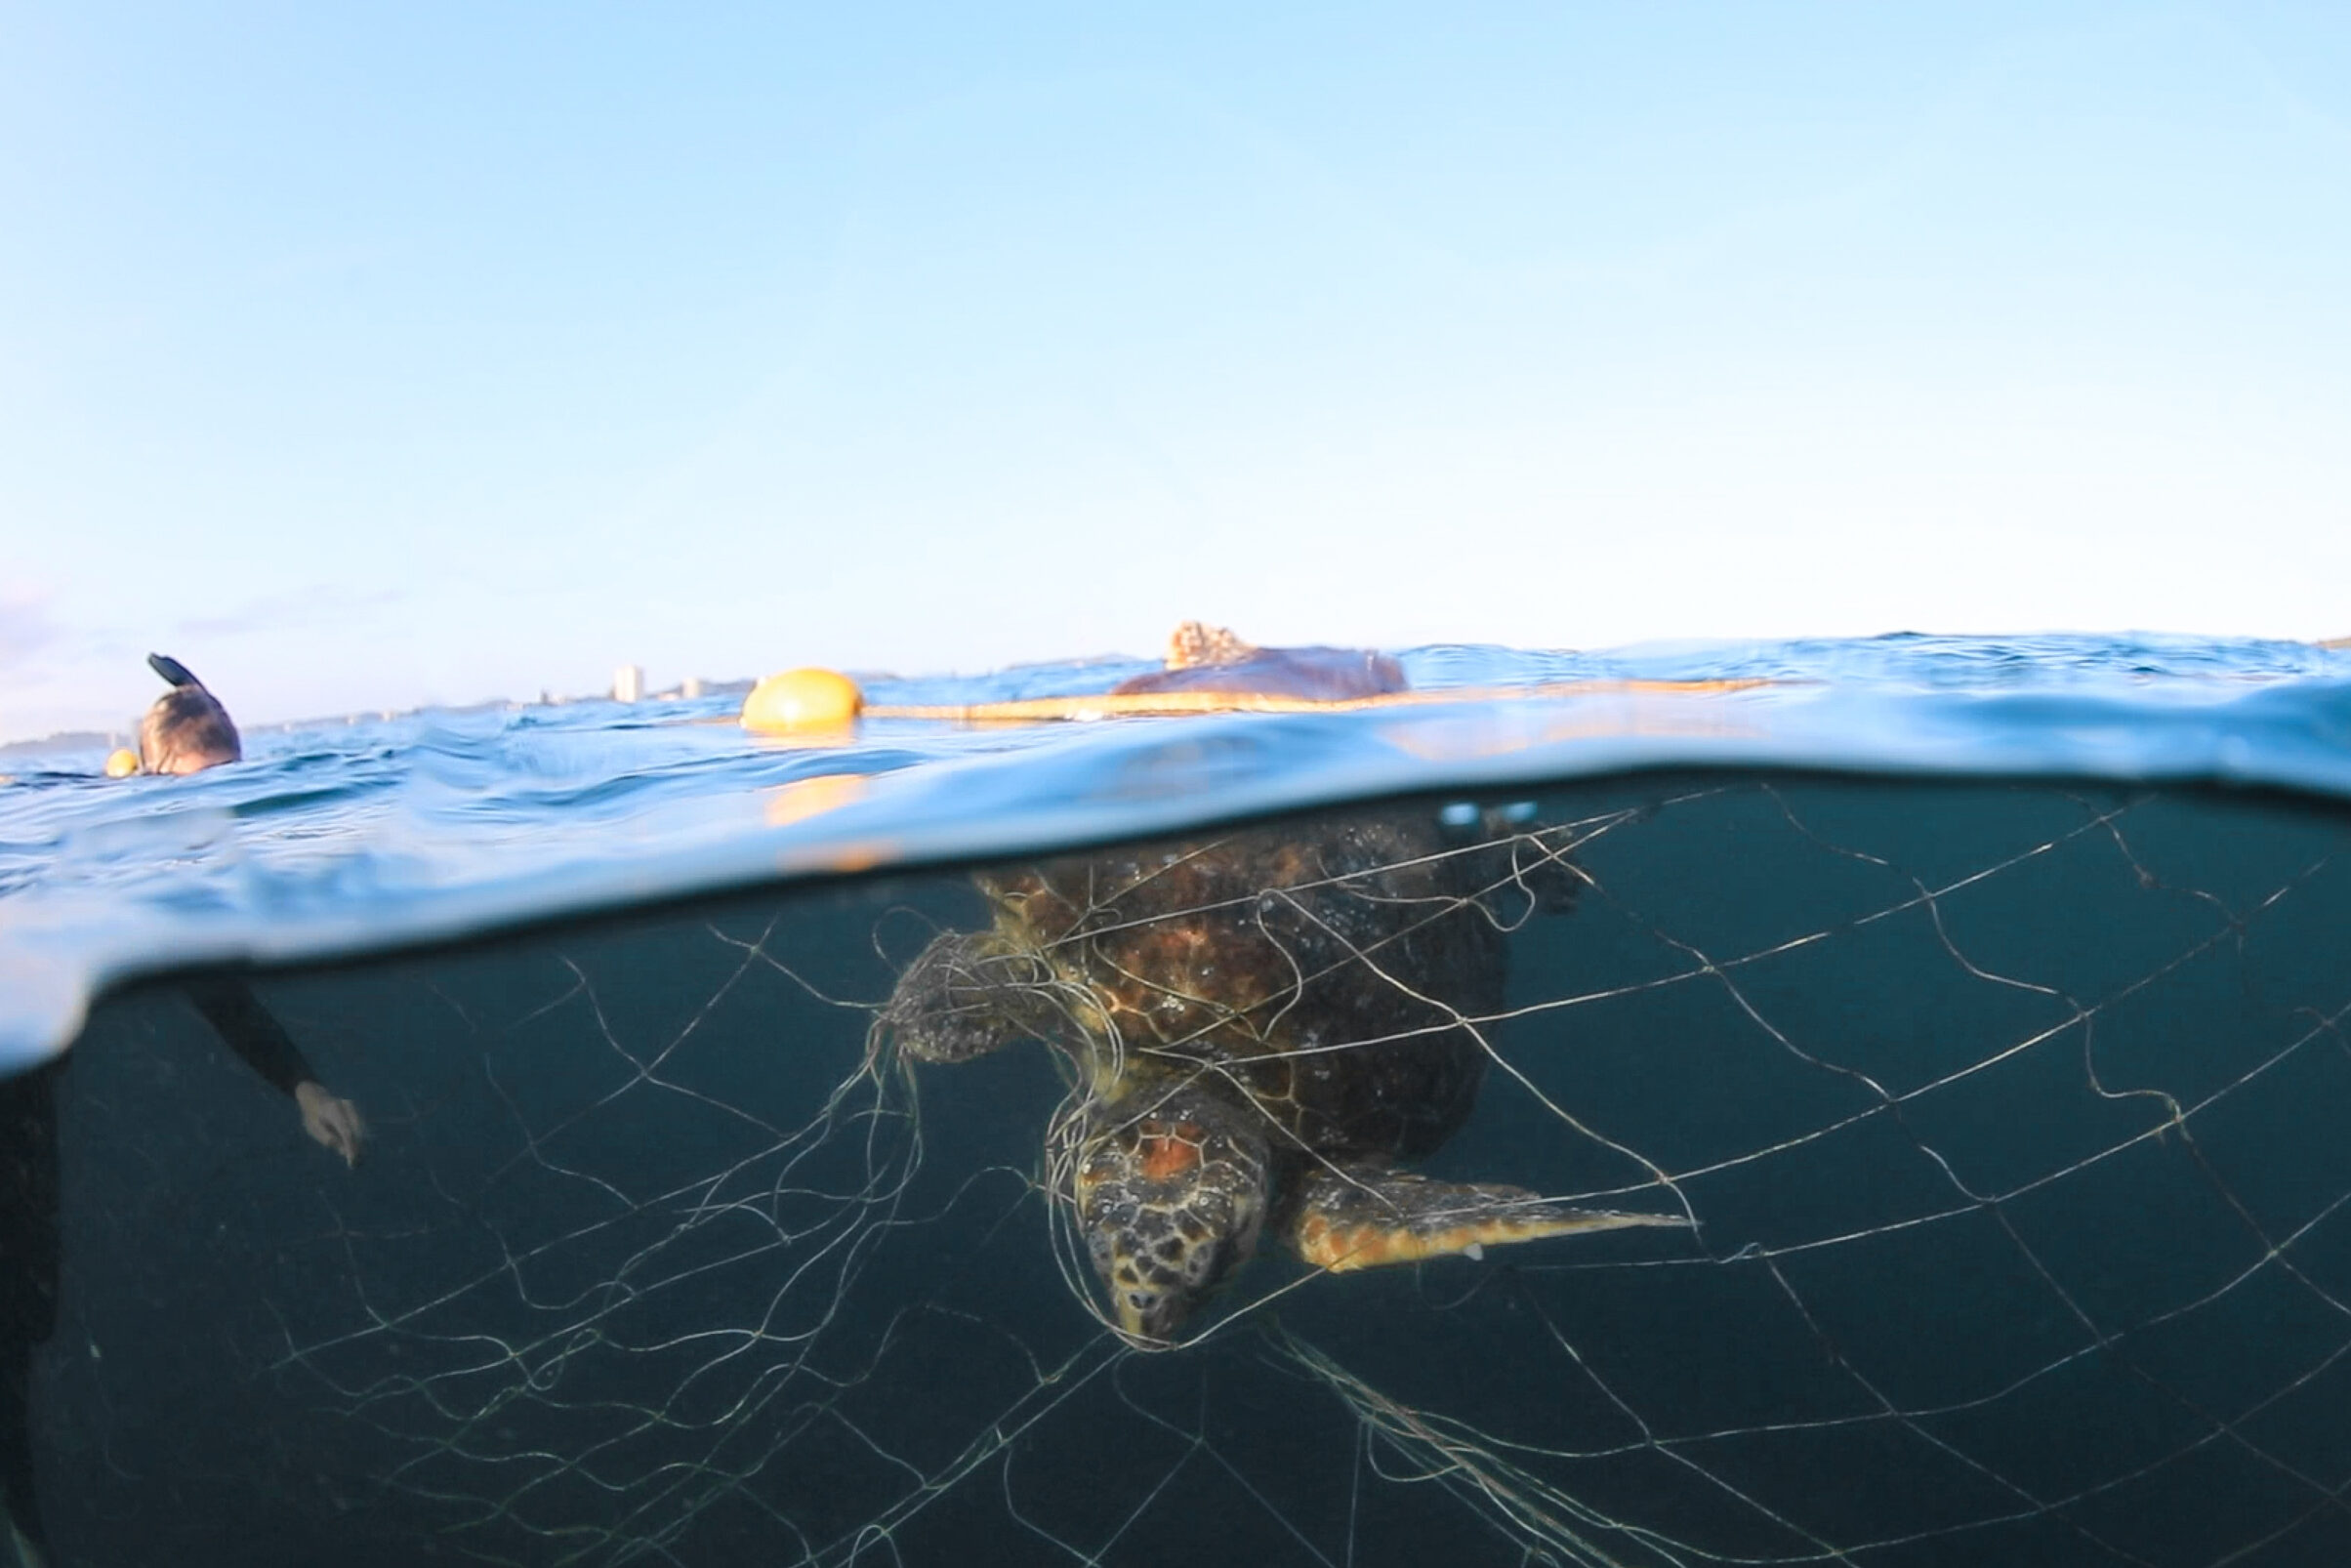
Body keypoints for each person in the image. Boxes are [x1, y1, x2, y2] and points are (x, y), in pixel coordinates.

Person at [3, 656, 366, 1566]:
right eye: (192, 795)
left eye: (232, 795)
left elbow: (212, 985)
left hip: (21, 1114)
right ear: (148, 782)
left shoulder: (164, 870)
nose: (212, 823)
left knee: (16, 1328)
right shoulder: (69, 845)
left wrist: (302, 1084)